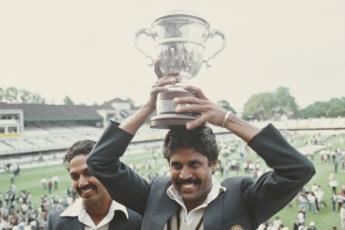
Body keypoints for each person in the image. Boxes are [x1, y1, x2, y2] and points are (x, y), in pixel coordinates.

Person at [87, 76, 315, 230]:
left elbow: (298, 170)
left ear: (213, 163)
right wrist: (148, 107)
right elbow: (100, 161)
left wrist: (227, 119)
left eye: (194, 164)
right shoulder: (154, 194)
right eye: (176, 165)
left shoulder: (241, 197)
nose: (185, 174)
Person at [45, 140, 141, 230]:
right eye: (75, 177)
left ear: (107, 172)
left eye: (89, 173)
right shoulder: (55, 222)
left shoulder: (137, 219)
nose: (82, 183)